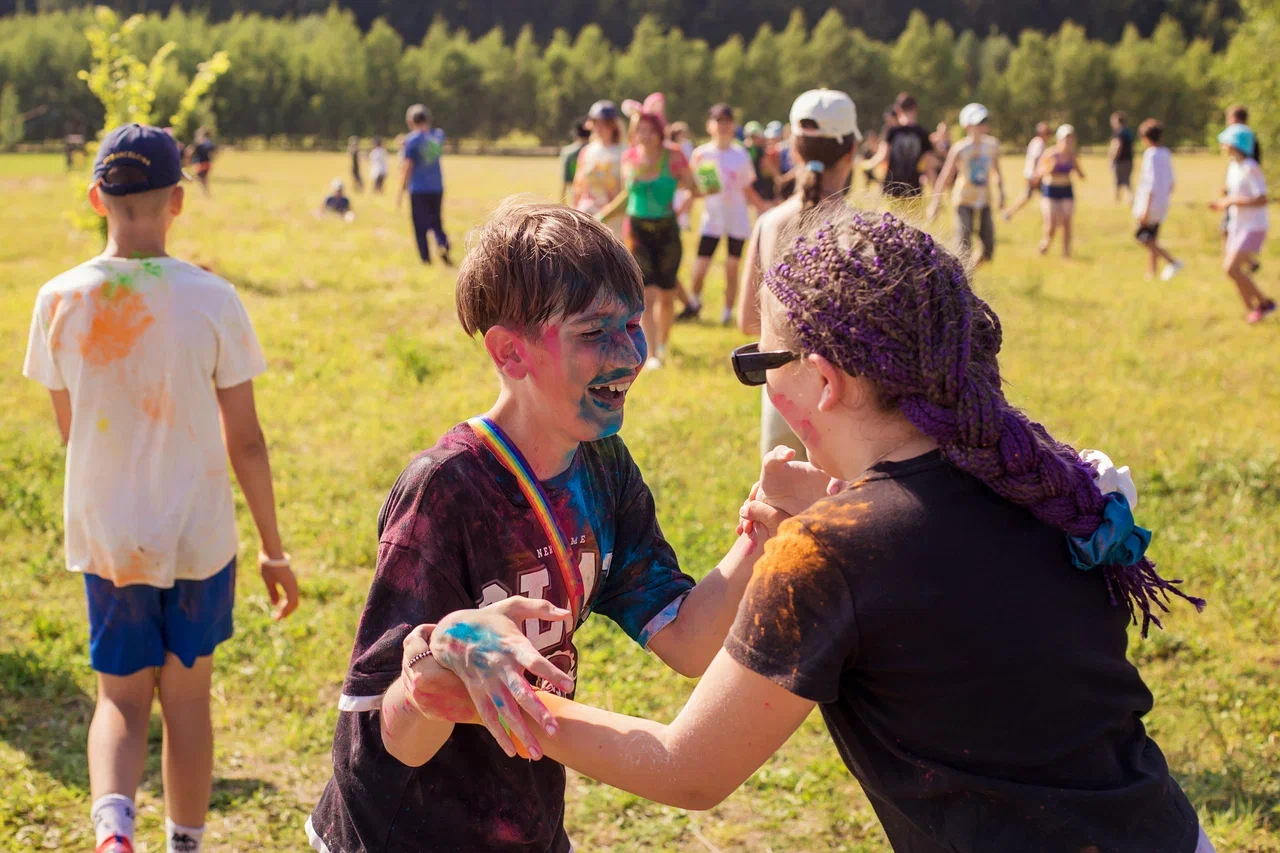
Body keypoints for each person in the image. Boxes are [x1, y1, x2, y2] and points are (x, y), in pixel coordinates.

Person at [408, 206, 1212, 853]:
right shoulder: (1044, 479)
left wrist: (489, 693)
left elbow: (689, 770)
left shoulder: (834, 549)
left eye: (761, 365)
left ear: (822, 379)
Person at [305, 201, 767, 853]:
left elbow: (688, 643)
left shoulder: (603, 466)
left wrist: (759, 538)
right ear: (510, 353)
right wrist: (446, 649)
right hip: (402, 832)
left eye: (632, 324)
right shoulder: (447, 488)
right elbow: (390, 735)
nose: (630, 354)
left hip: (526, 822)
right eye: (593, 332)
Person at [21, 124, 299, 853]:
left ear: (95, 198)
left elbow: (70, 429)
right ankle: (184, 842)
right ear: (179, 199)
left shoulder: (56, 300)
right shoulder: (212, 298)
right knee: (187, 701)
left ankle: (114, 829)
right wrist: (273, 549)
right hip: (199, 535)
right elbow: (246, 439)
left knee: (118, 696)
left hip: (111, 533)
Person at [739, 89, 860, 463]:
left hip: (783, 391)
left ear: (793, 149)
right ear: (852, 151)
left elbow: (747, 321)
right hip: (851, 398)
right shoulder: (864, 231)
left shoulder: (769, 223)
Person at [596, 109, 704, 370]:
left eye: (649, 130)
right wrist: (601, 215)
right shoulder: (629, 158)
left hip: (667, 231)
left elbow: (696, 188)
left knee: (667, 295)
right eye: (639, 130)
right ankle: (652, 351)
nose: (644, 136)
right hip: (637, 231)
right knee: (647, 294)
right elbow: (628, 196)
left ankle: (663, 343)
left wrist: (702, 182)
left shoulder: (674, 156)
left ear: (659, 131)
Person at [685, 103, 770, 327]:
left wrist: (763, 208)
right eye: (718, 121)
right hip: (712, 221)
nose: (723, 126)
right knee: (700, 266)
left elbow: (747, 188)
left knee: (732, 268)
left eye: (727, 122)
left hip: (737, 220)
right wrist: (687, 202)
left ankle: (727, 311)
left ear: (733, 126)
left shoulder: (740, 154)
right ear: (709, 125)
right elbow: (695, 189)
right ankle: (694, 302)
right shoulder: (701, 154)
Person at [1210, 123, 1275, 324]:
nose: (1222, 146)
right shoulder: (1234, 166)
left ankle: (1264, 304)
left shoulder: (1250, 168)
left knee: (1231, 268)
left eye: (1225, 142)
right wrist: (1225, 198)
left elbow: (1262, 198)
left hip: (1253, 226)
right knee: (1233, 271)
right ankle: (1253, 311)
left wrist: (1230, 200)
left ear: (1235, 144)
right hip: (1237, 225)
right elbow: (1236, 192)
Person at [928, 103, 1004, 264]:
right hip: (963, 200)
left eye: (985, 121)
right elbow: (945, 177)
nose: (984, 125)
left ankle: (970, 270)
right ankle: (964, 279)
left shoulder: (992, 146)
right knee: (964, 246)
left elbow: (997, 171)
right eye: (979, 122)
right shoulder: (960, 148)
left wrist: (1001, 192)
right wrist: (935, 203)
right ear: (967, 125)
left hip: (984, 200)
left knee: (988, 248)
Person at [397, 104, 451, 266]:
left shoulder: (411, 141)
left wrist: (400, 190)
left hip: (418, 188)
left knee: (419, 225)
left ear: (410, 121)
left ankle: (425, 259)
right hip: (436, 187)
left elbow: (407, 166)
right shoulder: (438, 136)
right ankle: (442, 244)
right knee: (436, 222)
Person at [1132, 119, 1182, 281]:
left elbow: (1150, 183)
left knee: (1142, 237)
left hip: (1150, 203)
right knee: (1153, 238)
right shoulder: (1166, 153)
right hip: (1161, 202)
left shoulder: (1151, 155)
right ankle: (1151, 272)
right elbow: (1171, 182)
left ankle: (1172, 261)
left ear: (1145, 138)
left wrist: (1146, 208)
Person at [862, 92, 934, 199]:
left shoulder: (892, 131)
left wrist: (866, 165)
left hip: (892, 187)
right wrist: (937, 193)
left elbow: (883, 156)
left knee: (889, 216)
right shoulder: (923, 133)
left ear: (898, 110)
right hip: (914, 188)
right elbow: (929, 165)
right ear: (916, 110)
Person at [571, 100, 626, 237]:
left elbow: (626, 190)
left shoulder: (624, 152)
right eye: (596, 123)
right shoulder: (587, 152)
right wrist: (575, 212)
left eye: (604, 123)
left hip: (615, 219)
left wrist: (607, 213)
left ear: (613, 125)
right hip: (588, 214)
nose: (599, 128)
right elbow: (578, 185)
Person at [1034, 124, 1086, 258]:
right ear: (1059, 139)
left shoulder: (1072, 155)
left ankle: (1066, 254)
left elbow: (1080, 174)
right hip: (1050, 190)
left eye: (1070, 138)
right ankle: (1045, 244)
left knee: (1067, 223)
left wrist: (1078, 171)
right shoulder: (1051, 153)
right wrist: (1049, 169)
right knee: (1051, 223)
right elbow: (1038, 172)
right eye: (1065, 138)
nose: (1068, 141)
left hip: (1066, 190)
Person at [1219, 106, 1262, 266]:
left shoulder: (1248, 157)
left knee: (1227, 229)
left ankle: (1234, 264)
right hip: (1237, 194)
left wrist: (1233, 198)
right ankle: (1236, 264)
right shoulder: (1239, 157)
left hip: (1244, 201)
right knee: (1227, 228)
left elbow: (1259, 194)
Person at [1003, 121, 1051, 220]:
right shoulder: (1039, 143)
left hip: (1033, 175)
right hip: (1034, 176)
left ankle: (1009, 213)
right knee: (1037, 196)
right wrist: (1035, 175)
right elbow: (1035, 159)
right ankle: (1008, 213)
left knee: (1037, 196)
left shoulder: (1036, 141)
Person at [666, 121, 695, 232]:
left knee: (686, 198)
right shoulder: (670, 146)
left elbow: (690, 158)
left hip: (686, 174)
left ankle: (684, 222)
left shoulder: (687, 144)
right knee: (677, 199)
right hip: (675, 177)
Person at [744, 120, 778, 204]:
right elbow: (767, 165)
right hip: (759, 185)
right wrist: (778, 177)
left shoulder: (742, 149)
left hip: (751, 185)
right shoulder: (758, 150)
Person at [559, 118, 591, 202]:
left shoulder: (568, 152)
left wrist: (562, 200)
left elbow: (565, 179)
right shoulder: (595, 151)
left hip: (575, 191)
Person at [1109, 111, 1136, 203]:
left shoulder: (1119, 133)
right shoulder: (1128, 133)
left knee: (1117, 181)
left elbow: (1117, 146)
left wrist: (1112, 158)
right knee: (1127, 181)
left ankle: (1117, 200)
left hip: (1120, 161)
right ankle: (1130, 198)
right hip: (1129, 160)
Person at [184, 127, 216, 196]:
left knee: (201, 178)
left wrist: (188, 160)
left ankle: (205, 192)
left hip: (201, 163)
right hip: (207, 163)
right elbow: (213, 151)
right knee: (203, 178)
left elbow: (189, 152)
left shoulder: (197, 143)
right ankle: (205, 192)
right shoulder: (209, 143)